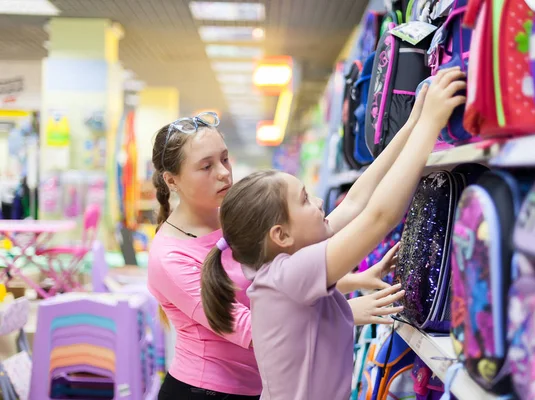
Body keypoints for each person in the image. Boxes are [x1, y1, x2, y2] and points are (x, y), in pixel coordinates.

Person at [201, 67, 467, 400]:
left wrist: (413, 124)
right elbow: (378, 217)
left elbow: (357, 200)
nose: (318, 202)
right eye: (304, 199)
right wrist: (430, 125)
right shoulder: (288, 273)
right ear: (281, 235)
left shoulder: (282, 260)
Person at [147, 110, 409, 399]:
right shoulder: (168, 256)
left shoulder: (237, 218)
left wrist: (350, 280)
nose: (223, 172)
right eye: (206, 166)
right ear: (172, 180)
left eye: (224, 158)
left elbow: (276, 278)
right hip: (207, 391)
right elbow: (254, 328)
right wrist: (346, 313)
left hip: (258, 385)